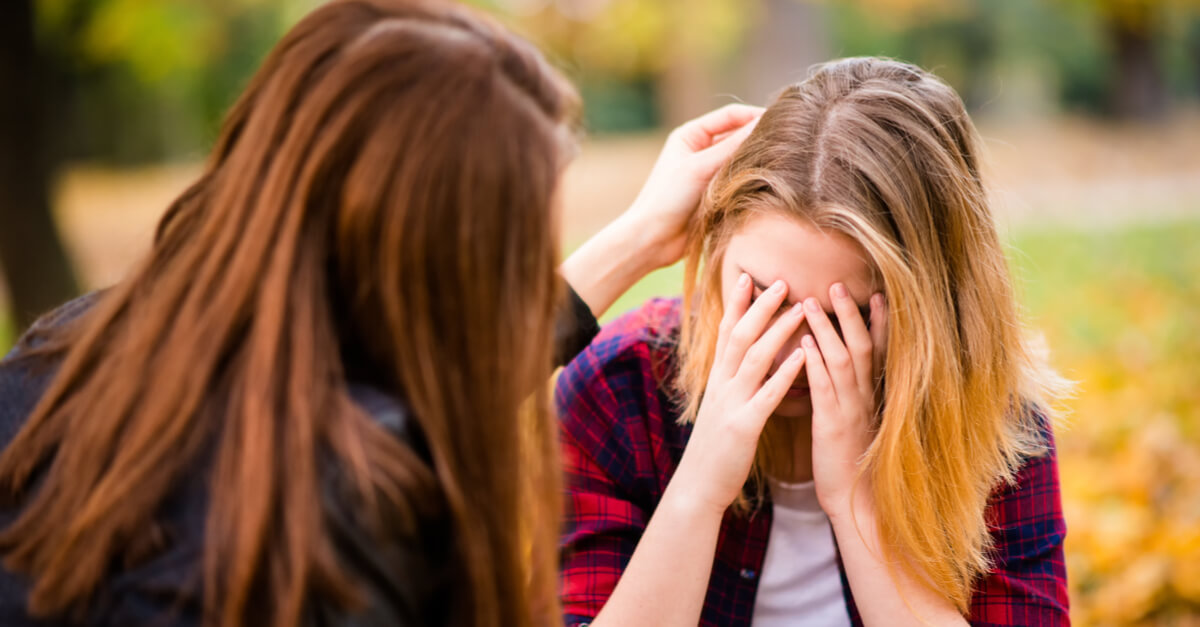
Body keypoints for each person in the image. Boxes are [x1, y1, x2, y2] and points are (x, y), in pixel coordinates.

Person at [0, 1, 760, 626]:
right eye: (512, 248)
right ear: (428, 260)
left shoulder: (66, 355)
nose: (524, 276)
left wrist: (633, 240)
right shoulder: (352, 513)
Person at [556, 57, 1071, 627]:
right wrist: (699, 490)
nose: (791, 353)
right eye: (760, 300)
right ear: (716, 249)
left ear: (932, 305)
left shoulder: (992, 423)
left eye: (839, 317)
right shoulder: (620, 388)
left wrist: (857, 504)